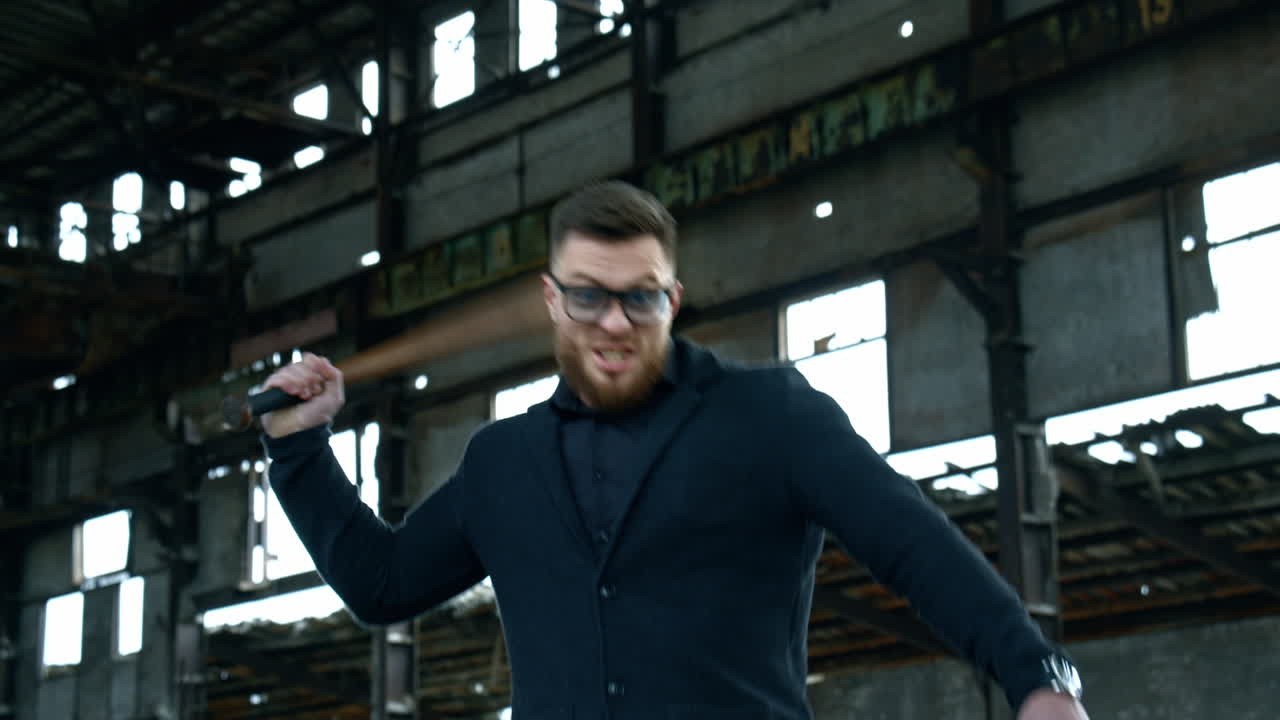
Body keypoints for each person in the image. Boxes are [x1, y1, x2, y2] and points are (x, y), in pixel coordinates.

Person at [261, 181, 1089, 719]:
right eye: (587, 297)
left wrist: (1037, 677)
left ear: (674, 299)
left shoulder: (774, 419)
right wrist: (300, 452)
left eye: (640, 298)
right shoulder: (501, 464)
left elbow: (914, 546)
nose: (615, 322)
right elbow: (384, 583)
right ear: (552, 299)